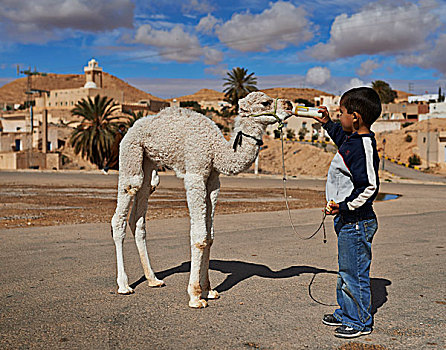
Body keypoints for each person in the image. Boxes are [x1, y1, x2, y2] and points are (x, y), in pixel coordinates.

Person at [298, 87, 382, 338]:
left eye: (341, 113)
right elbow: (341, 138)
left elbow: (369, 186)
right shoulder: (352, 139)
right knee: (346, 270)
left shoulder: (364, 145)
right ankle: (346, 311)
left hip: (356, 221)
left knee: (354, 272)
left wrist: (343, 206)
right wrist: (327, 123)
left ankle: (358, 322)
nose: (339, 116)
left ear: (355, 117)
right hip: (346, 219)